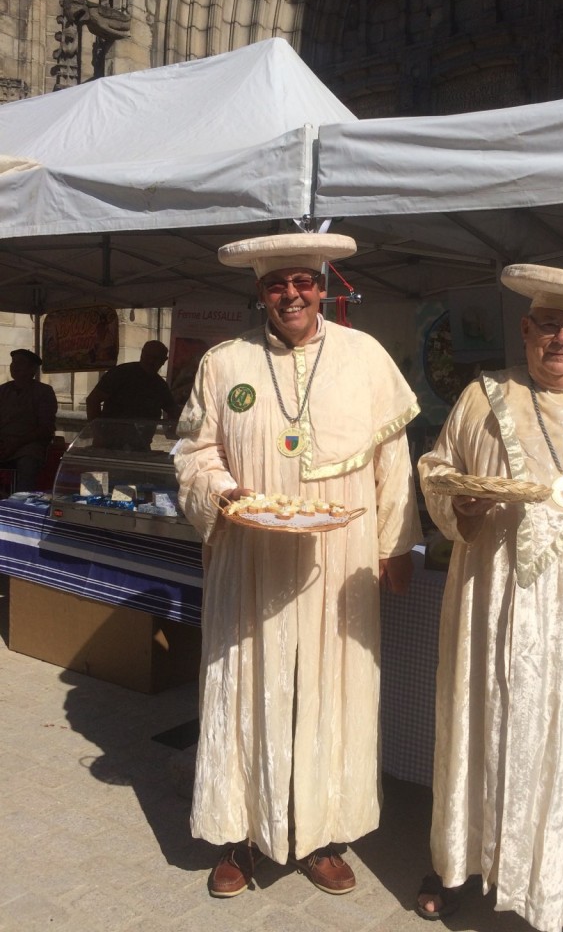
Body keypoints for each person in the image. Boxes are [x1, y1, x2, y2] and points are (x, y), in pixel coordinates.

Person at [174, 232, 422, 899]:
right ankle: (239, 833)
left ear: (323, 287)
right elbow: (194, 451)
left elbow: (393, 460)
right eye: (276, 284)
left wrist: (395, 544)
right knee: (246, 687)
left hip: (339, 560)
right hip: (249, 554)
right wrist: (222, 492)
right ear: (260, 292)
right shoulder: (225, 362)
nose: (291, 295)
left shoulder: (365, 356)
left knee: (330, 690)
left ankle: (320, 834)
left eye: (302, 282)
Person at [416, 263, 563, 932]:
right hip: (488, 607)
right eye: (549, 324)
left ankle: (557, 887)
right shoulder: (482, 398)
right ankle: (459, 864)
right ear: (525, 329)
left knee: (562, 756)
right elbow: (436, 469)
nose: (561, 339)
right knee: (477, 735)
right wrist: (458, 503)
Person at [85, 339, 180, 449]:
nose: (151, 361)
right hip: (110, 444)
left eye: (156, 358)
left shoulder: (160, 386)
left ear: (164, 360)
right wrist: (98, 434)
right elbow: (93, 400)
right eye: (148, 356)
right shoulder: (120, 374)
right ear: (142, 354)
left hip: (139, 446)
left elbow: (173, 411)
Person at [0, 348, 58, 492]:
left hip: (28, 444)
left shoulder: (44, 392)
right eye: (13, 362)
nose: (14, 366)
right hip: (3, 441)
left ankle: (22, 501)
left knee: (28, 463)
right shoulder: (2, 390)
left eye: (20, 363)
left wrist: (16, 443)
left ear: (33, 369)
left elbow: (45, 427)